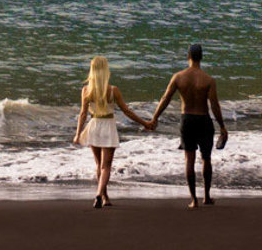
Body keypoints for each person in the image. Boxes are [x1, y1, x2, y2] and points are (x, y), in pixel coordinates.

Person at [147, 43, 228, 209]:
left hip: (187, 120)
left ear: (188, 56)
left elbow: (165, 99)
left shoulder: (178, 77)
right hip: (204, 120)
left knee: (189, 159)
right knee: (206, 158)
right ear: (201, 57)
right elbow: (215, 105)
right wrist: (222, 126)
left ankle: (194, 200)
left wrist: (155, 118)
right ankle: (206, 196)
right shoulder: (209, 80)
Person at [72, 55, 150, 208]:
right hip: (108, 126)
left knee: (98, 164)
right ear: (106, 71)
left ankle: (104, 196)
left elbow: (83, 114)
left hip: (94, 126)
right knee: (106, 166)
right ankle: (99, 195)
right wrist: (145, 122)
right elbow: (127, 111)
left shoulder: (86, 90)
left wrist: (77, 134)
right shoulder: (113, 90)